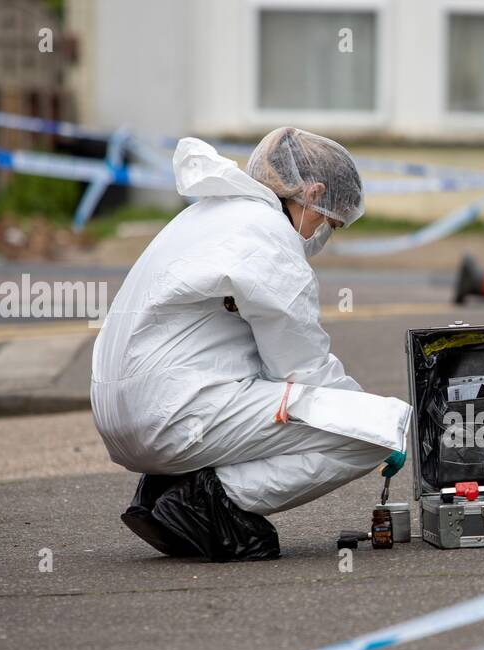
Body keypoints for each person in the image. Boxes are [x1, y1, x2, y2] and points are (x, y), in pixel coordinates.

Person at [91, 128, 412, 561]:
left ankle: (166, 491)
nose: (320, 232)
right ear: (312, 192)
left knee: (312, 404)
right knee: (373, 434)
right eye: (326, 219)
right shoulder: (268, 241)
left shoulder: (211, 216)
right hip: (171, 415)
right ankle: (204, 501)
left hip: (129, 414)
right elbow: (302, 371)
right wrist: (373, 423)